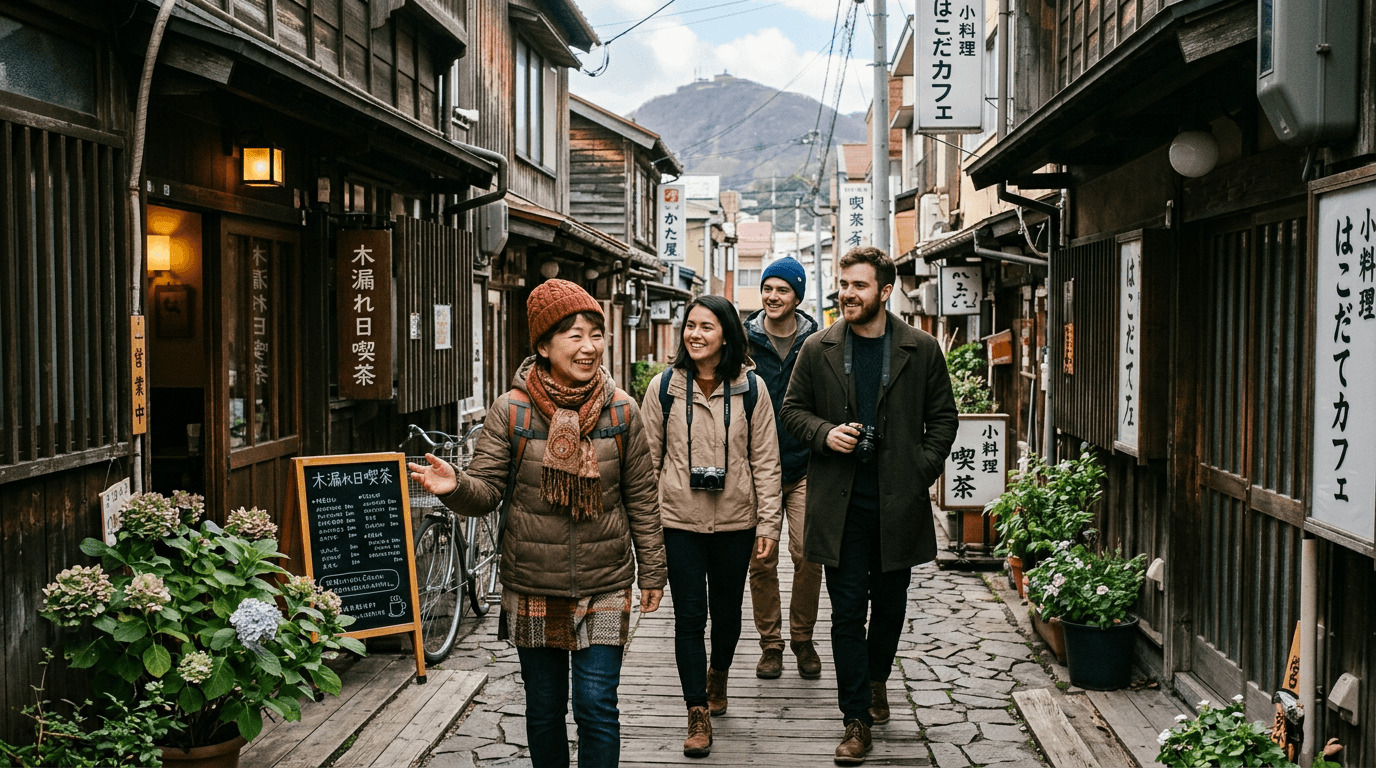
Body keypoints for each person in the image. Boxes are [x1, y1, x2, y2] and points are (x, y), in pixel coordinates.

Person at [409, 279, 666, 768]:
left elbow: (641, 499)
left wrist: (653, 571)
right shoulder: (512, 411)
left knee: (597, 707)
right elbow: (485, 492)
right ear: (544, 346)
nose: (589, 346)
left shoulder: (621, 411)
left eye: (596, 333)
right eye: (574, 335)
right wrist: (456, 485)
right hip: (532, 584)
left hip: (605, 581)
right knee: (545, 709)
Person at [781, 246, 959, 765]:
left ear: (884, 291)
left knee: (891, 607)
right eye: (843, 283)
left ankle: (877, 678)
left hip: (896, 502)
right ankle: (855, 718)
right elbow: (792, 410)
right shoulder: (819, 347)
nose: (846, 293)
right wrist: (825, 433)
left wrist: (917, 471)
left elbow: (943, 420)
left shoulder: (920, 348)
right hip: (839, 504)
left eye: (858, 285)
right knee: (845, 613)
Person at [641, 294, 784, 758]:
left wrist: (768, 525)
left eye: (706, 326)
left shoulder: (752, 389)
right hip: (678, 520)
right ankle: (696, 710)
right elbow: (645, 463)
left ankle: (718, 672)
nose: (695, 334)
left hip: (736, 521)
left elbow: (765, 461)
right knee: (688, 617)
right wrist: (646, 531)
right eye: (690, 325)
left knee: (726, 614)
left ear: (726, 334)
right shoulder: (664, 388)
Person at [743, 257, 824, 681]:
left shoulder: (818, 341)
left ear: (797, 297)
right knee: (763, 557)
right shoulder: (743, 341)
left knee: (808, 554)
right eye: (768, 289)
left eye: (782, 290)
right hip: (757, 465)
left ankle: (802, 639)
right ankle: (770, 644)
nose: (773, 297)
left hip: (805, 463)